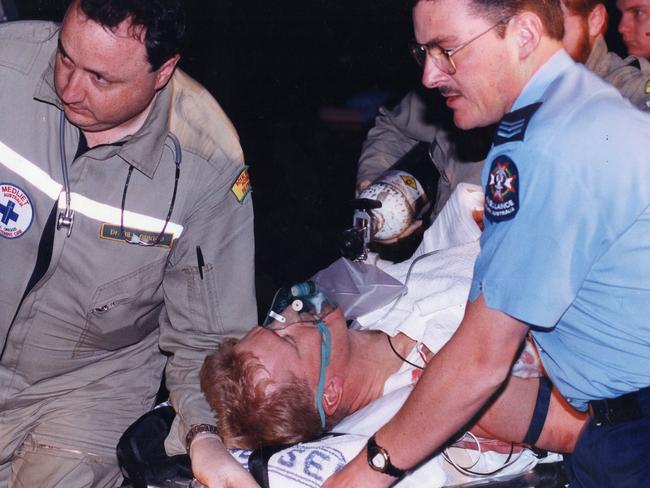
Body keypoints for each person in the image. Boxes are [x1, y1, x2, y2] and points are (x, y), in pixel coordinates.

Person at [324, 0, 650, 487]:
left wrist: (361, 476)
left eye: (448, 51)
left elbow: (479, 359)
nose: (431, 75)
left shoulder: (553, 146)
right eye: (424, 52)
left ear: (522, 35)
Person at [0, 1, 258, 487]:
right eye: (65, 57)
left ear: (163, 71)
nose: (69, 89)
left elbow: (206, 338)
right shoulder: (5, 65)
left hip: (88, 387)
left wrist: (203, 433)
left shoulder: (206, 165)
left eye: (101, 79)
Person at [356, 0, 650, 217]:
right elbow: (394, 126)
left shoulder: (616, 91)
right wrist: (384, 200)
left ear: (594, 22)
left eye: (553, 17)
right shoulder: (462, 80)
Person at [201, 302, 586, 456]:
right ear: (330, 394)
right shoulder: (456, 395)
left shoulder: (376, 300)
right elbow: (582, 431)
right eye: (288, 339)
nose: (288, 314)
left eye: (272, 324)